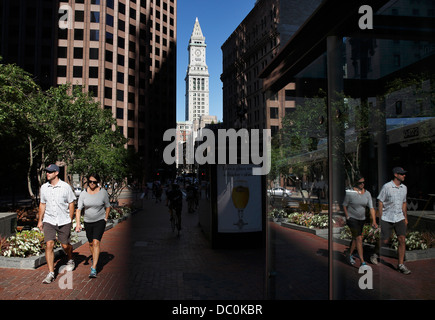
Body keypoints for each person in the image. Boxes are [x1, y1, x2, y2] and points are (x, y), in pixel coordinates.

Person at [37, 164, 77, 284]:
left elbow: (71, 203)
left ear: (56, 173)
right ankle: (51, 273)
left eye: (50, 172)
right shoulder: (44, 187)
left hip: (63, 220)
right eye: (47, 172)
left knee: (65, 245)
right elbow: (42, 204)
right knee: (49, 244)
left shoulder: (65, 187)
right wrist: (40, 220)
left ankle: (70, 257)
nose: (47, 174)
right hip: (49, 220)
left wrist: (70, 219)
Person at [371, 167, 411, 274]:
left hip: (399, 218)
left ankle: (401, 265)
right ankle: (375, 253)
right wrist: (380, 217)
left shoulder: (404, 188)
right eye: (402, 174)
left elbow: (404, 203)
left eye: (404, 174)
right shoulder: (387, 187)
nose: (404, 175)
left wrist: (405, 217)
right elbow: (380, 201)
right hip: (387, 217)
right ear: (396, 175)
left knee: (402, 240)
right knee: (385, 240)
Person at [75, 174, 111, 278]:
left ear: (97, 182)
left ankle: (94, 268)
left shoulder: (102, 192)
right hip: (88, 221)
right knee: (90, 243)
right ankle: (94, 257)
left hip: (99, 221)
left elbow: (108, 206)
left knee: (96, 242)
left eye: (94, 182)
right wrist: (78, 223)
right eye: (90, 181)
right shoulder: (83, 193)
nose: (92, 183)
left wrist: (105, 219)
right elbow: (79, 209)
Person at [343, 175, 378, 268]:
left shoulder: (367, 194)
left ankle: (349, 254)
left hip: (362, 219)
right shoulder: (350, 193)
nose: (362, 184)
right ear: (356, 183)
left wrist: (374, 221)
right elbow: (344, 205)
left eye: (363, 182)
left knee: (355, 238)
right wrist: (347, 217)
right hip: (352, 219)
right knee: (359, 238)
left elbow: (371, 208)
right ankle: (362, 262)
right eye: (360, 183)